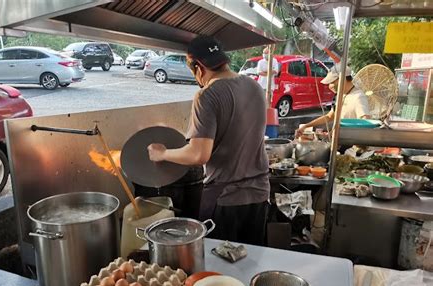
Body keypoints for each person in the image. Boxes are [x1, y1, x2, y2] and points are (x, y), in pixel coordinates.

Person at [147, 35, 269, 246]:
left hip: (226, 200)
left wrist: (163, 153)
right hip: (260, 195)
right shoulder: (255, 87)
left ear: (199, 67)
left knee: (219, 267)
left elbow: (198, 154)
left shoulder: (207, 95)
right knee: (250, 262)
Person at [295, 65, 371, 138]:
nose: (330, 86)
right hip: (340, 140)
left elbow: (365, 121)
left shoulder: (358, 97)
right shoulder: (341, 95)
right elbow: (329, 116)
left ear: (343, 79)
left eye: (332, 82)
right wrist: (306, 126)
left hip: (351, 144)